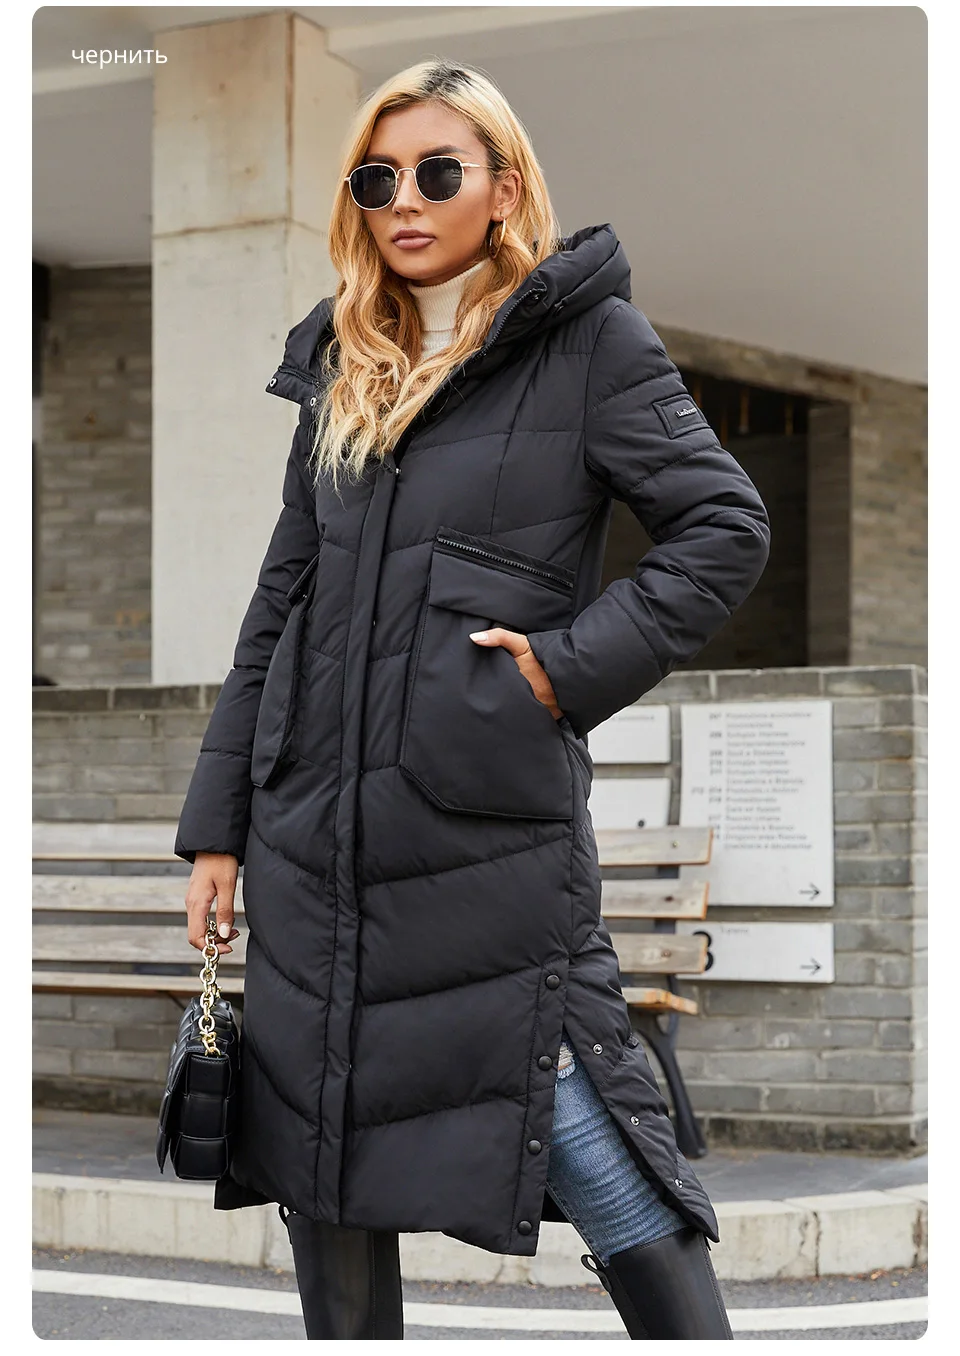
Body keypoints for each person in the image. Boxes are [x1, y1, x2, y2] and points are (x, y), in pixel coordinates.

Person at [174, 58, 770, 1340]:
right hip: (312, 854)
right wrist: (218, 825)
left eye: (437, 171)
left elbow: (725, 529)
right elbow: (279, 605)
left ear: (503, 189)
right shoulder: (344, 363)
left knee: (602, 1153)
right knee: (323, 1173)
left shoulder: (591, 346)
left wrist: (562, 669)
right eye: (375, 178)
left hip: (484, 853)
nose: (404, 199)